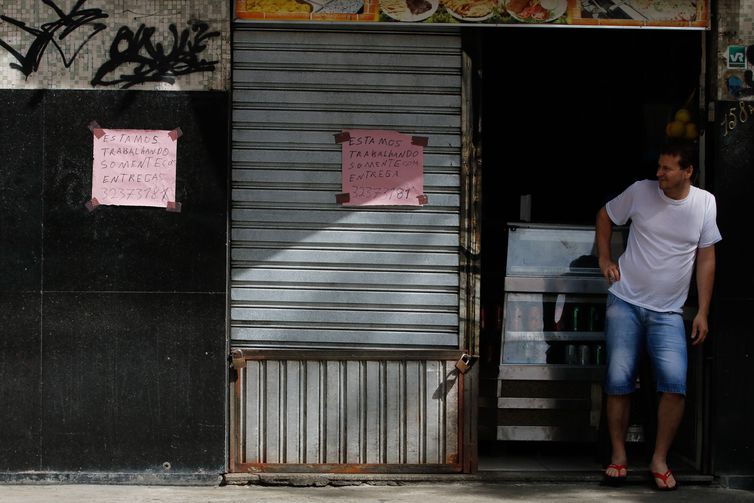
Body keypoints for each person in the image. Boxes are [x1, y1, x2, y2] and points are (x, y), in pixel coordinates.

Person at [595, 140, 722, 491]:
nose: (659, 174)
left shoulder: (704, 203)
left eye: (666, 169)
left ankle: (659, 459)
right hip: (625, 303)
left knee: (674, 385)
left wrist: (704, 312)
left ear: (687, 171)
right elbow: (605, 216)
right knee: (618, 381)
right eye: (659, 167)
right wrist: (605, 259)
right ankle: (619, 456)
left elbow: (706, 258)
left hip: (669, 312)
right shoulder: (640, 192)